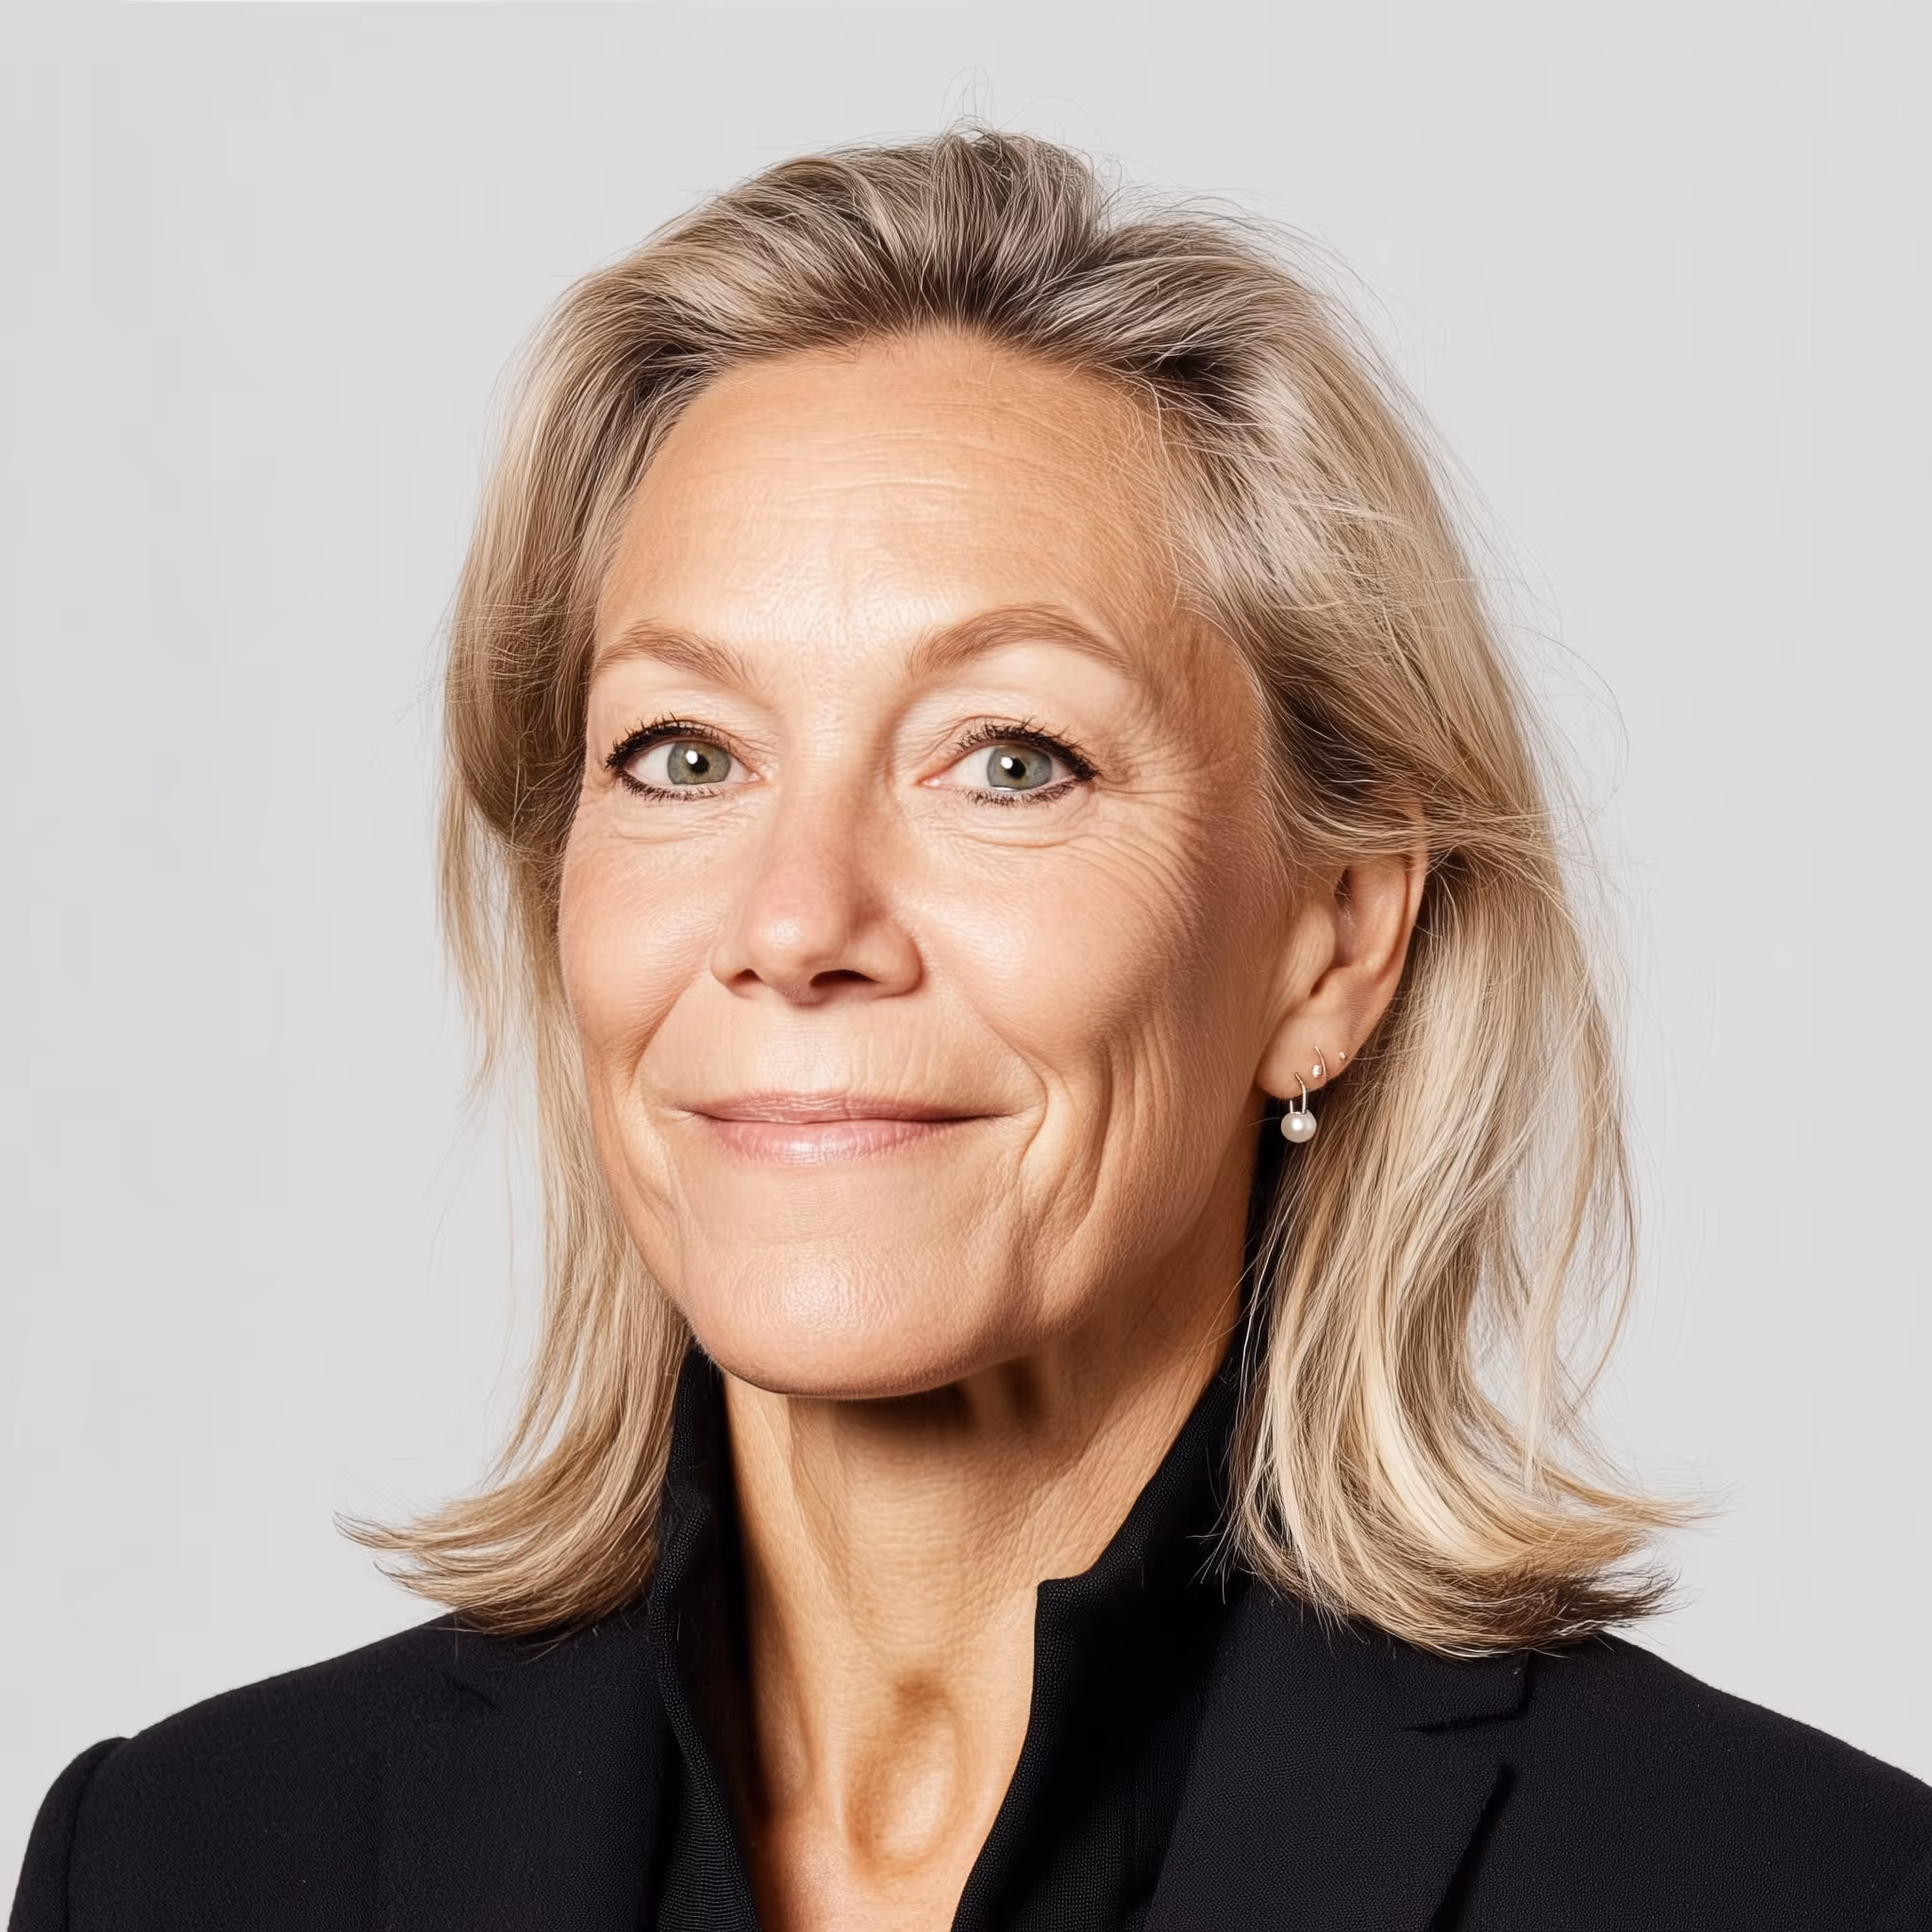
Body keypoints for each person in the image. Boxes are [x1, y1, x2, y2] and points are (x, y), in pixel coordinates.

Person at [11, 128, 1930, 1932]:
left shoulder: (1790, 1889)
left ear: (1332, 945)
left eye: (1007, 759)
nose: (795, 922)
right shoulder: (180, 1864)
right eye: (685, 755)